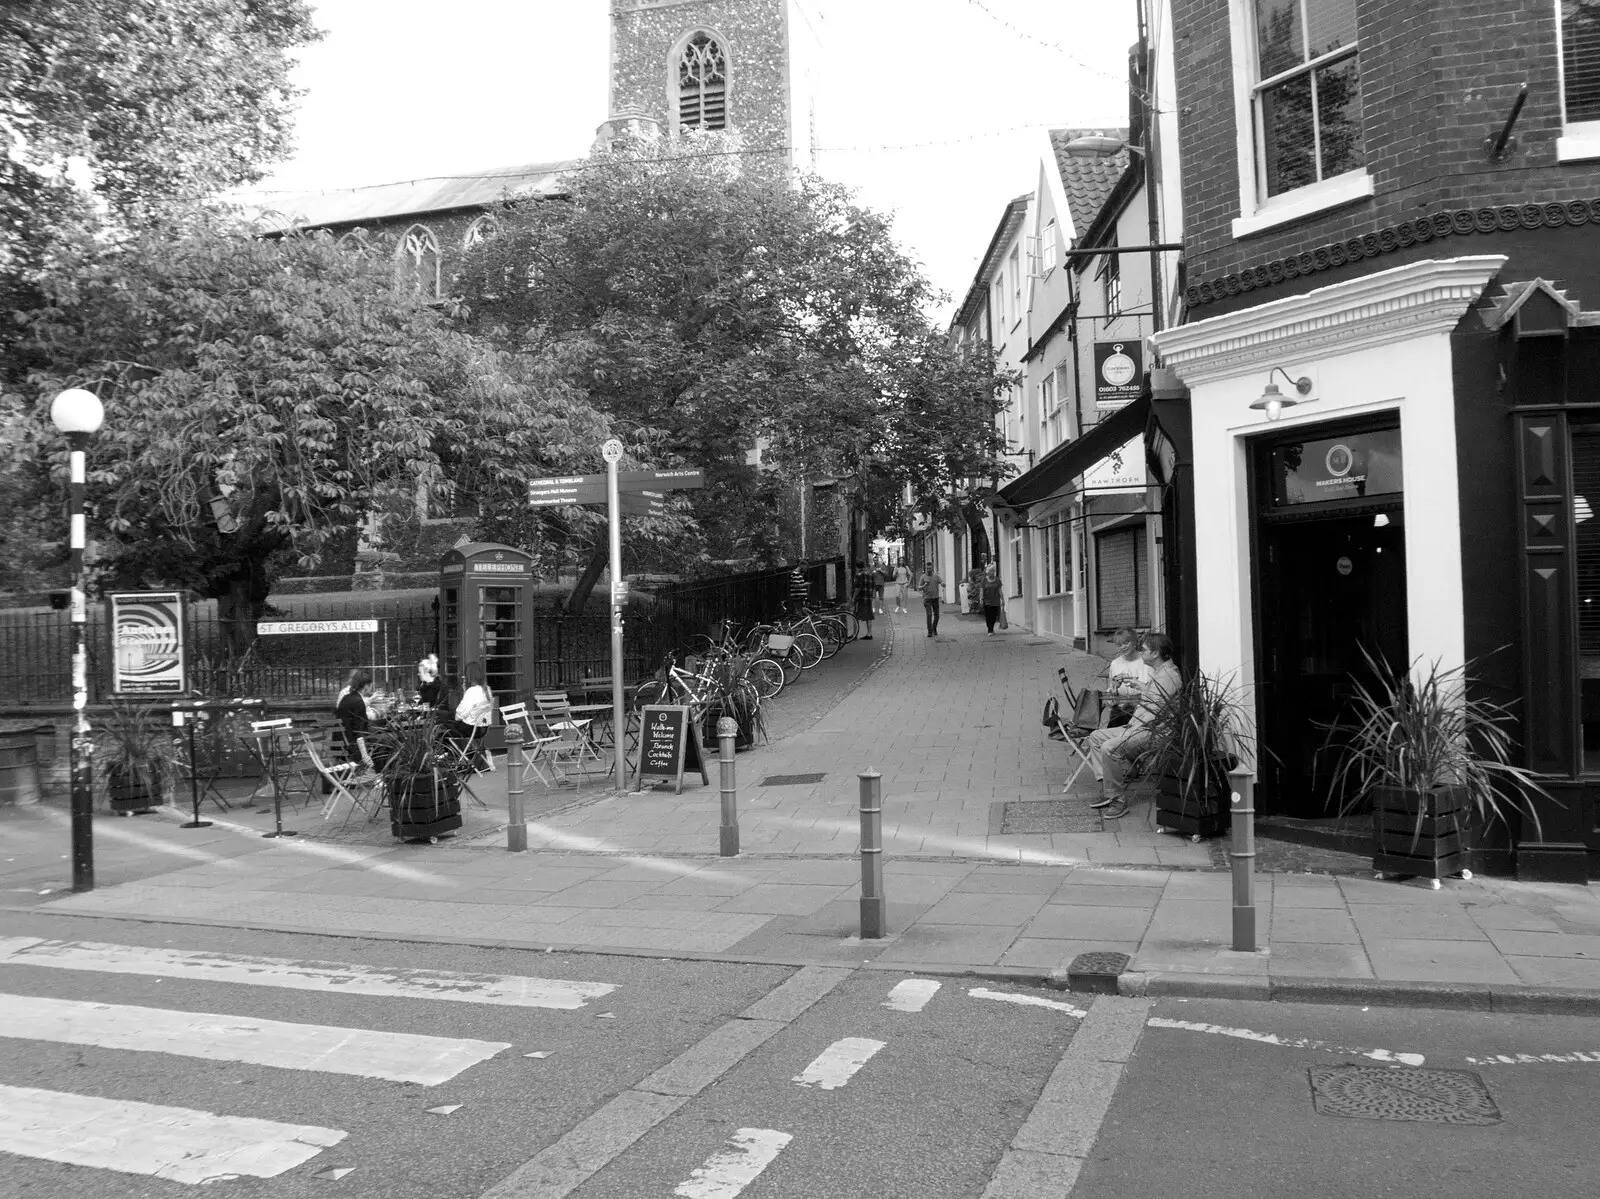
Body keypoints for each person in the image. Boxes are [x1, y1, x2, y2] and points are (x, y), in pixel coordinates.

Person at [1085, 633, 1182, 819]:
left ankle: (1118, 801)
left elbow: (1154, 713)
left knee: (1109, 747)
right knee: (1096, 736)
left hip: (1154, 733)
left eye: (1144, 649)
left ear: (1155, 653)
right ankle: (1109, 789)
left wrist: (1128, 729)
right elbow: (1155, 697)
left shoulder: (1167, 677)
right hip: (1139, 726)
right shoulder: (1161, 672)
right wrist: (1140, 685)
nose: (1140, 651)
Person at [453, 661, 496, 772]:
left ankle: (455, 760)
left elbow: (458, 716)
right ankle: (468, 759)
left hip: (470, 729)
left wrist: (465, 691)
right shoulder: (487, 689)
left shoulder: (471, 691)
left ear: (468, 676)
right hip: (482, 729)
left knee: (443, 723)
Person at [1101, 628, 1149, 727]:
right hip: (1120, 709)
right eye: (1119, 645)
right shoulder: (1115, 663)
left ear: (1134, 642)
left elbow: (1150, 690)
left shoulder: (1145, 662)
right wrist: (1114, 688)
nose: (1123, 647)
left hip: (1140, 708)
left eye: (1126, 643)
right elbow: (1111, 695)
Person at [334, 668, 373, 762]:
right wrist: (364, 755)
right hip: (351, 747)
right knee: (385, 741)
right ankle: (377, 772)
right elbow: (360, 731)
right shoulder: (358, 701)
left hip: (339, 744)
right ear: (366, 686)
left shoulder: (347, 697)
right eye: (371, 685)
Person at [919, 564, 944, 637]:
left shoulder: (936, 576)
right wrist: (924, 585)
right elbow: (919, 588)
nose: (929, 570)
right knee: (929, 615)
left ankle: (934, 628)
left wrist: (943, 584)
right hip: (927, 599)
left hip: (935, 598)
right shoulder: (923, 577)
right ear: (926, 569)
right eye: (927, 569)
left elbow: (941, 582)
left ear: (932, 568)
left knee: (937, 616)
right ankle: (929, 631)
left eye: (930, 568)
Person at [853, 563, 876, 640]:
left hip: (860, 598)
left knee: (855, 615)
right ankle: (869, 634)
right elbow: (873, 586)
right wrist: (872, 596)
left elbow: (857, 588)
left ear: (858, 568)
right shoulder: (870, 575)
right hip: (868, 598)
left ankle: (854, 634)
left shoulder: (858, 575)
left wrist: (853, 597)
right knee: (869, 616)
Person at [980, 567, 1004, 635]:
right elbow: (981, 590)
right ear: (988, 572)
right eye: (991, 571)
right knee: (988, 616)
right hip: (987, 600)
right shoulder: (984, 580)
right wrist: (981, 599)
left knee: (994, 616)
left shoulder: (997, 580)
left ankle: (991, 628)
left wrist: (1003, 599)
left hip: (996, 601)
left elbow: (1000, 590)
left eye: (993, 571)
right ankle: (990, 630)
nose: (992, 572)